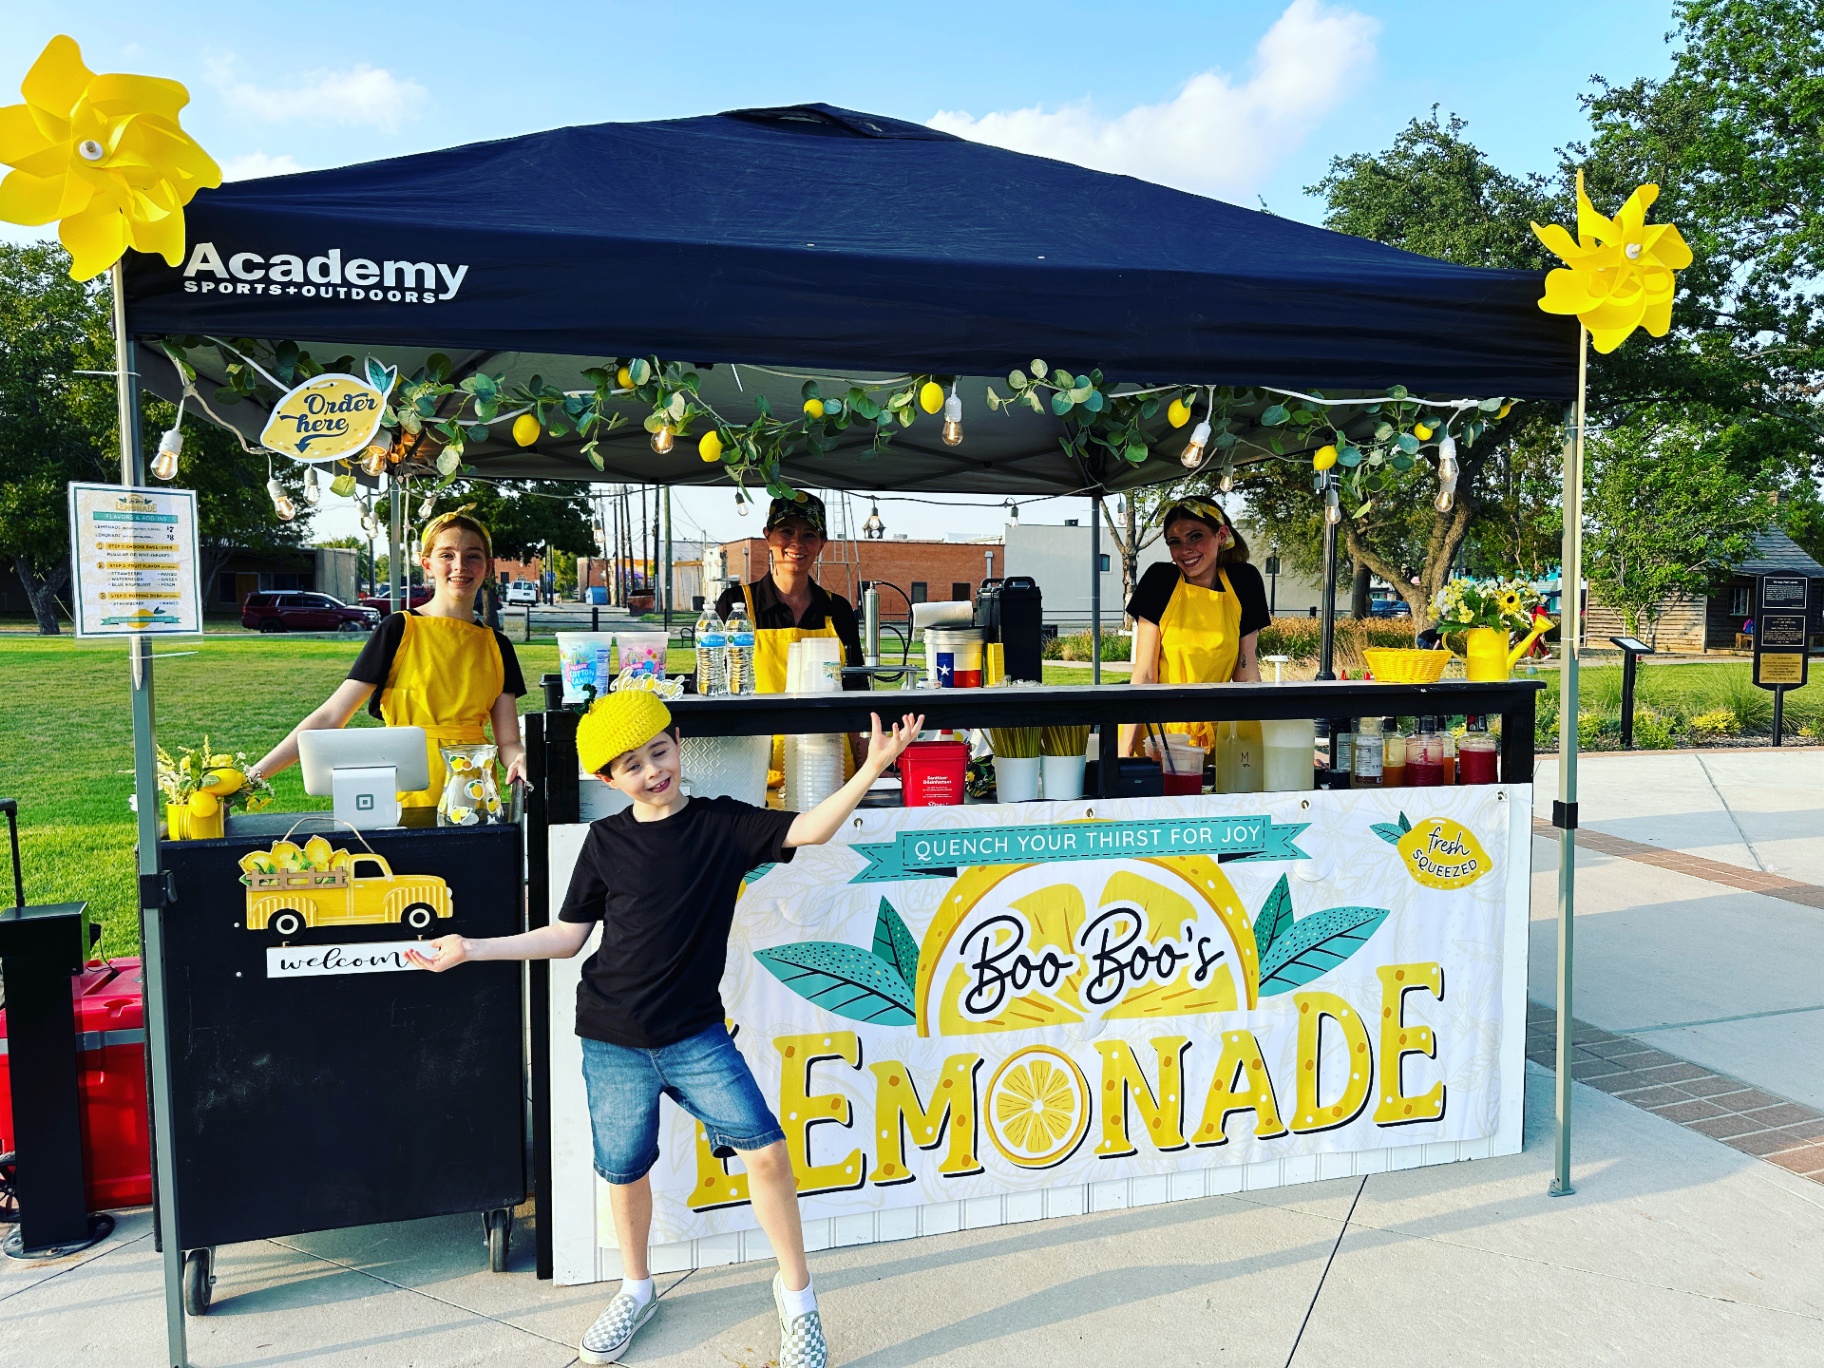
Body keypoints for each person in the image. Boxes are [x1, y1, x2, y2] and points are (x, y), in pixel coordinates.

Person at [408, 688, 925, 1368]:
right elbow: (568, 939)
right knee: (624, 1172)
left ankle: (797, 1298)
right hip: (611, 1036)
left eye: (659, 751)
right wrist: (471, 947)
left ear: (677, 743)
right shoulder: (605, 841)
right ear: (607, 780)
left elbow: (809, 829)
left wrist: (872, 767)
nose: (652, 771)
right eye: (632, 765)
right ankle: (635, 1288)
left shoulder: (723, 825)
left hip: (693, 1037)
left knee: (766, 1153)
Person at [249, 511, 528, 808]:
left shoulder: (497, 646)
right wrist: (253, 776)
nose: (460, 566)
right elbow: (331, 716)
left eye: (473, 556)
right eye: (447, 554)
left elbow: (508, 742)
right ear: (427, 564)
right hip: (403, 794)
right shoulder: (399, 629)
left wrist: (520, 759)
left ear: (488, 567)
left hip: (474, 799)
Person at [717, 492, 868, 778]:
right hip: (755, 773)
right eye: (786, 531)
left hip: (829, 770)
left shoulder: (838, 609)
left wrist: (866, 766)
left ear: (822, 544)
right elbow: (711, 693)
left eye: (809, 535)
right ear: (768, 536)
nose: (797, 544)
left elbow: (856, 695)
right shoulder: (736, 605)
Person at [1123, 497, 1270, 754]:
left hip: (1217, 738)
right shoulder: (1160, 581)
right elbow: (1145, 675)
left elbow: (1246, 674)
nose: (1185, 550)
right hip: (1159, 740)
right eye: (1175, 542)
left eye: (1196, 536)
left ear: (1221, 535)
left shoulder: (1244, 582)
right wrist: (1122, 755)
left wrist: (1265, 746)